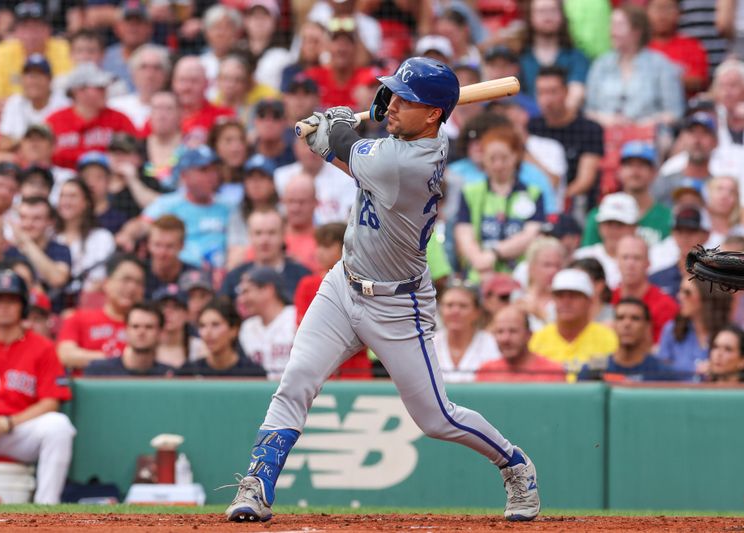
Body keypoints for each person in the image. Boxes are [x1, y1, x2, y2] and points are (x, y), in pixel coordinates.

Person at [224, 57, 541, 523]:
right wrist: (361, 122)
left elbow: (345, 150)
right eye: (390, 94)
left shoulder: (411, 162)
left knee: (436, 419)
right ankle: (256, 485)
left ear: (433, 114)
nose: (392, 103)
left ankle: (515, 464)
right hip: (344, 281)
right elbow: (358, 149)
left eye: (404, 99)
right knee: (296, 380)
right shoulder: (413, 138)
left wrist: (331, 129)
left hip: (398, 303)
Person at [0, 269, 75, 504]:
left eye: (11, 300)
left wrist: (9, 422)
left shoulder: (42, 347)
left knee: (59, 427)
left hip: (18, 430)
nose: (4, 307)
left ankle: (45, 508)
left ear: (23, 306)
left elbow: (51, 402)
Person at [454, 126, 546, 281]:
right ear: (483, 158)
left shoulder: (533, 193)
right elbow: (464, 233)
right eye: (492, 159)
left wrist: (494, 253)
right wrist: (478, 260)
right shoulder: (470, 192)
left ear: (515, 156)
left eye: (504, 158)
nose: (498, 165)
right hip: (479, 276)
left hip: (518, 278)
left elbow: (531, 235)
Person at [119, 145, 231, 269]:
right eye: (203, 170)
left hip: (220, 273)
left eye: (214, 170)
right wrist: (127, 234)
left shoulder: (229, 207)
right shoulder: (168, 204)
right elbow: (142, 224)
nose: (212, 175)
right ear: (184, 175)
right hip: (179, 273)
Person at [292, 222, 372, 379]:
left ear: (345, 247)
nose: (319, 252)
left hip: (354, 368)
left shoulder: (361, 283)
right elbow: (303, 326)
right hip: (319, 368)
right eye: (318, 246)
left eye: (327, 246)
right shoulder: (307, 284)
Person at [585, 4, 685, 127]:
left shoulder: (661, 65)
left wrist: (643, 124)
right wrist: (607, 120)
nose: (612, 32)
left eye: (619, 26)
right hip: (604, 136)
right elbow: (589, 111)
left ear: (637, 32)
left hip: (648, 139)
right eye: (612, 25)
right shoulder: (600, 65)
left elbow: (675, 112)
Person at [530, 67, 604, 217]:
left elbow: (585, 180)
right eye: (541, 92)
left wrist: (556, 201)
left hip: (575, 204)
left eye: (552, 92)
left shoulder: (589, 129)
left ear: (566, 92)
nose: (547, 99)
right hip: (535, 200)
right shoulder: (531, 127)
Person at [57, 254, 145, 370]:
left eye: (138, 283)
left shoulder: (148, 325)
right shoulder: (79, 318)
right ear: (106, 283)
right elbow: (65, 355)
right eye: (126, 280)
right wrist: (116, 360)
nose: (132, 287)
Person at [45, 63, 138, 169]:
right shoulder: (55, 121)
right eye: (99, 88)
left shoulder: (119, 120)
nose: (105, 92)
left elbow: (136, 155)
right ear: (78, 91)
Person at [582, 141, 672, 248]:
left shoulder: (668, 217)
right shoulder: (599, 216)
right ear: (618, 171)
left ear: (654, 172)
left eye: (642, 165)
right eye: (629, 165)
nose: (635, 171)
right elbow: (587, 256)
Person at [528, 268, 618, 374]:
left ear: (590, 301)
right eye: (560, 296)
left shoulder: (608, 339)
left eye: (574, 296)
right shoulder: (537, 340)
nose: (566, 302)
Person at [0, 1, 72, 114]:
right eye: (25, 28)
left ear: (48, 30)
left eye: (36, 27)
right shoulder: (1, 51)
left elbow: (67, 94)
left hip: (54, 115)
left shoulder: (63, 48)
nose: (31, 34)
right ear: (16, 31)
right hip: (15, 118)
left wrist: (20, 102)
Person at [219, 208, 311, 300]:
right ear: (249, 236)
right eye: (258, 233)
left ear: (283, 235)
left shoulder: (302, 277)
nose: (264, 240)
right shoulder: (234, 277)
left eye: (271, 233)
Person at [578, 298, 675, 382]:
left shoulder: (664, 373)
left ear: (647, 327)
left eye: (635, 318)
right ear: (614, 325)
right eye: (620, 318)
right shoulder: (591, 370)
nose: (627, 324)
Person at [519, 0, 588, 112]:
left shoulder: (577, 57)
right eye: (541, 11)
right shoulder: (520, 56)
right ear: (530, 16)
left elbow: (576, 94)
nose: (548, 16)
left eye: (553, 10)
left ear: (562, 15)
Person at [656, 277, 732, 379]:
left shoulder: (728, 334)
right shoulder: (671, 330)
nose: (679, 296)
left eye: (687, 293)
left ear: (705, 296)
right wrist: (694, 369)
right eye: (680, 291)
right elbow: (660, 371)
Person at [54, 178, 116, 296]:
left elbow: (100, 279)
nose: (66, 201)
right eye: (62, 196)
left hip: (88, 301)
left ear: (86, 202)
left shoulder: (102, 237)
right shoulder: (50, 236)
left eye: (72, 196)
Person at [612, 235, 679, 343]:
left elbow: (665, 350)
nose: (630, 264)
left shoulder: (666, 305)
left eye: (637, 258)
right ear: (617, 262)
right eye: (625, 257)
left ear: (648, 263)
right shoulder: (607, 299)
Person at [177, 297, 266, 377]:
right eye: (202, 326)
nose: (207, 333)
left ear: (234, 330)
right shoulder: (188, 372)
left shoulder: (253, 373)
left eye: (215, 325)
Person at [0, 54, 68, 151]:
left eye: (39, 75)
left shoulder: (63, 103)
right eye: (29, 76)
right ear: (22, 80)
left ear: (50, 79)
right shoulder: (14, 102)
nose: (33, 81)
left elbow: (65, 141)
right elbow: (4, 144)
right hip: (21, 161)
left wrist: (22, 142)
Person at [433, 282, 501, 383]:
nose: (455, 311)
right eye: (449, 305)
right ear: (441, 309)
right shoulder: (429, 343)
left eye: (463, 306)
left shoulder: (490, 343)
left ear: (477, 312)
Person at [237, 266, 297, 380]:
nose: (241, 300)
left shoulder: (296, 317)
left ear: (268, 290)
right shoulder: (247, 327)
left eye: (246, 292)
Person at [477, 305, 565, 382]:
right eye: (500, 332)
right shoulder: (486, 371)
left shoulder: (552, 372)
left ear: (529, 335)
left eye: (513, 331)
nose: (505, 338)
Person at [84, 302, 174, 377]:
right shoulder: (99, 371)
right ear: (126, 330)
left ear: (160, 333)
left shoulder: (169, 375)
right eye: (135, 326)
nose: (141, 332)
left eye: (149, 327)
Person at [6, 196, 72, 294]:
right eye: (23, 217)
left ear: (50, 221)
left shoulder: (60, 249)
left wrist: (27, 243)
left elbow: (58, 279)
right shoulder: (9, 252)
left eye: (36, 219)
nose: (28, 224)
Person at [574, 192, 639, 289]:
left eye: (620, 225)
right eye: (609, 223)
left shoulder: (646, 259)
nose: (613, 230)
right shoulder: (582, 257)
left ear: (634, 228)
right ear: (599, 226)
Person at [653, 112, 718, 206]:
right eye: (692, 132)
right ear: (682, 138)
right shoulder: (665, 181)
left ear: (715, 142)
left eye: (704, 133)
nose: (697, 140)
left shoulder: (720, 188)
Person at [647, 0, 709, 96]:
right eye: (657, 8)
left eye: (668, 8)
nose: (662, 14)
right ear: (647, 12)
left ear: (679, 13)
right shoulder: (639, 47)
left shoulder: (692, 46)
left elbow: (699, 81)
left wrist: (662, 81)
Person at [108, 44, 172, 131]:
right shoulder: (114, 107)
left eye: (157, 68)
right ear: (132, 74)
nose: (150, 75)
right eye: (143, 67)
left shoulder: (175, 110)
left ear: (166, 75)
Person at [512, 236, 567, 332]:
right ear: (531, 268)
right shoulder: (517, 296)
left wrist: (540, 314)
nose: (553, 271)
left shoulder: (568, 300)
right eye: (547, 265)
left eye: (558, 265)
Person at [102, 0, 154, 90]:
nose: (133, 27)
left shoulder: (163, 57)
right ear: (117, 28)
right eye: (128, 22)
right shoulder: (103, 58)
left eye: (139, 22)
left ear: (150, 28)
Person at [144, 215, 199, 297]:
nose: (162, 253)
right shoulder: (139, 273)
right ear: (148, 244)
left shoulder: (195, 277)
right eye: (157, 245)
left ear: (182, 246)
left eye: (169, 246)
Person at [281, 175, 318, 273]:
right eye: (291, 201)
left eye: (302, 202)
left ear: (315, 203)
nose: (295, 208)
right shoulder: (270, 234)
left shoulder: (324, 241)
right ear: (283, 201)